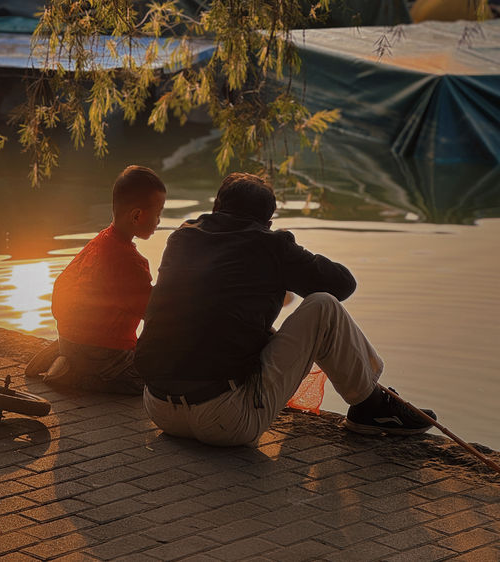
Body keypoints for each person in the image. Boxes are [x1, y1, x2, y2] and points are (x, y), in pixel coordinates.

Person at [134, 172, 436, 446]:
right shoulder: (270, 245)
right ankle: (370, 405)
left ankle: (370, 400)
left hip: (158, 408)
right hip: (224, 421)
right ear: (267, 223)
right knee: (323, 306)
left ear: (216, 208)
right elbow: (343, 285)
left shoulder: (181, 237)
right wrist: (286, 256)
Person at [26, 165, 166, 394]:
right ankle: (83, 377)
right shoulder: (131, 262)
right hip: (107, 354)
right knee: (154, 379)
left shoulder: (97, 244)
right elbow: (154, 315)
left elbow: (63, 286)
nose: (159, 221)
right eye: (158, 213)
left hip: (70, 337)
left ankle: (66, 356)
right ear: (137, 215)